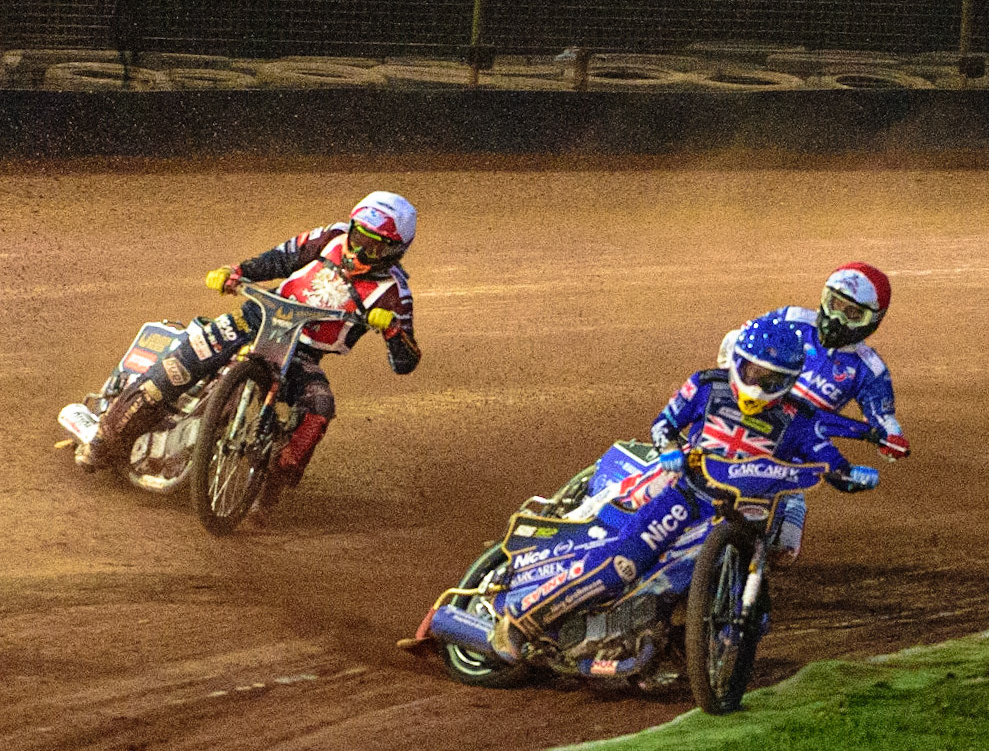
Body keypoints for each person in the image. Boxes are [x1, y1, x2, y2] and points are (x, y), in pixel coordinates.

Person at [488, 312, 878, 663]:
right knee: (622, 565)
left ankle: (678, 645)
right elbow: (664, 424)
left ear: (790, 381)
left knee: (760, 601)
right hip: (688, 495)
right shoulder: (706, 386)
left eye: (771, 380)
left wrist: (850, 475)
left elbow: (828, 458)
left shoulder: (800, 419)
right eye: (752, 372)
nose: (758, 386)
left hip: (751, 511)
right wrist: (671, 448)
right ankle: (521, 622)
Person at [77, 191, 423, 500]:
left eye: (374, 245)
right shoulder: (329, 237)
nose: (360, 249)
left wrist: (392, 330)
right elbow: (280, 258)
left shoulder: (395, 294)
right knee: (183, 361)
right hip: (257, 318)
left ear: (394, 251)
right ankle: (105, 441)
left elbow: (406, 362)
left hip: (301, 353)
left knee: (319, 409)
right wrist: (237, 272)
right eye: (359, 236)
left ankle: (269, 490)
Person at [714, 262, 907, 564]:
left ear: (872, 319)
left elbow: (882, 415)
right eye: (835, 304)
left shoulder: (869, 369)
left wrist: (892, 436)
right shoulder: (791, 320)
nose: (837, 317)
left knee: (783, 550)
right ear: (824, 297)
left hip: (796, 447)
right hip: (744, 418)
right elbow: (740, 342)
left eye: (852, 313)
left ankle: (752, 582)